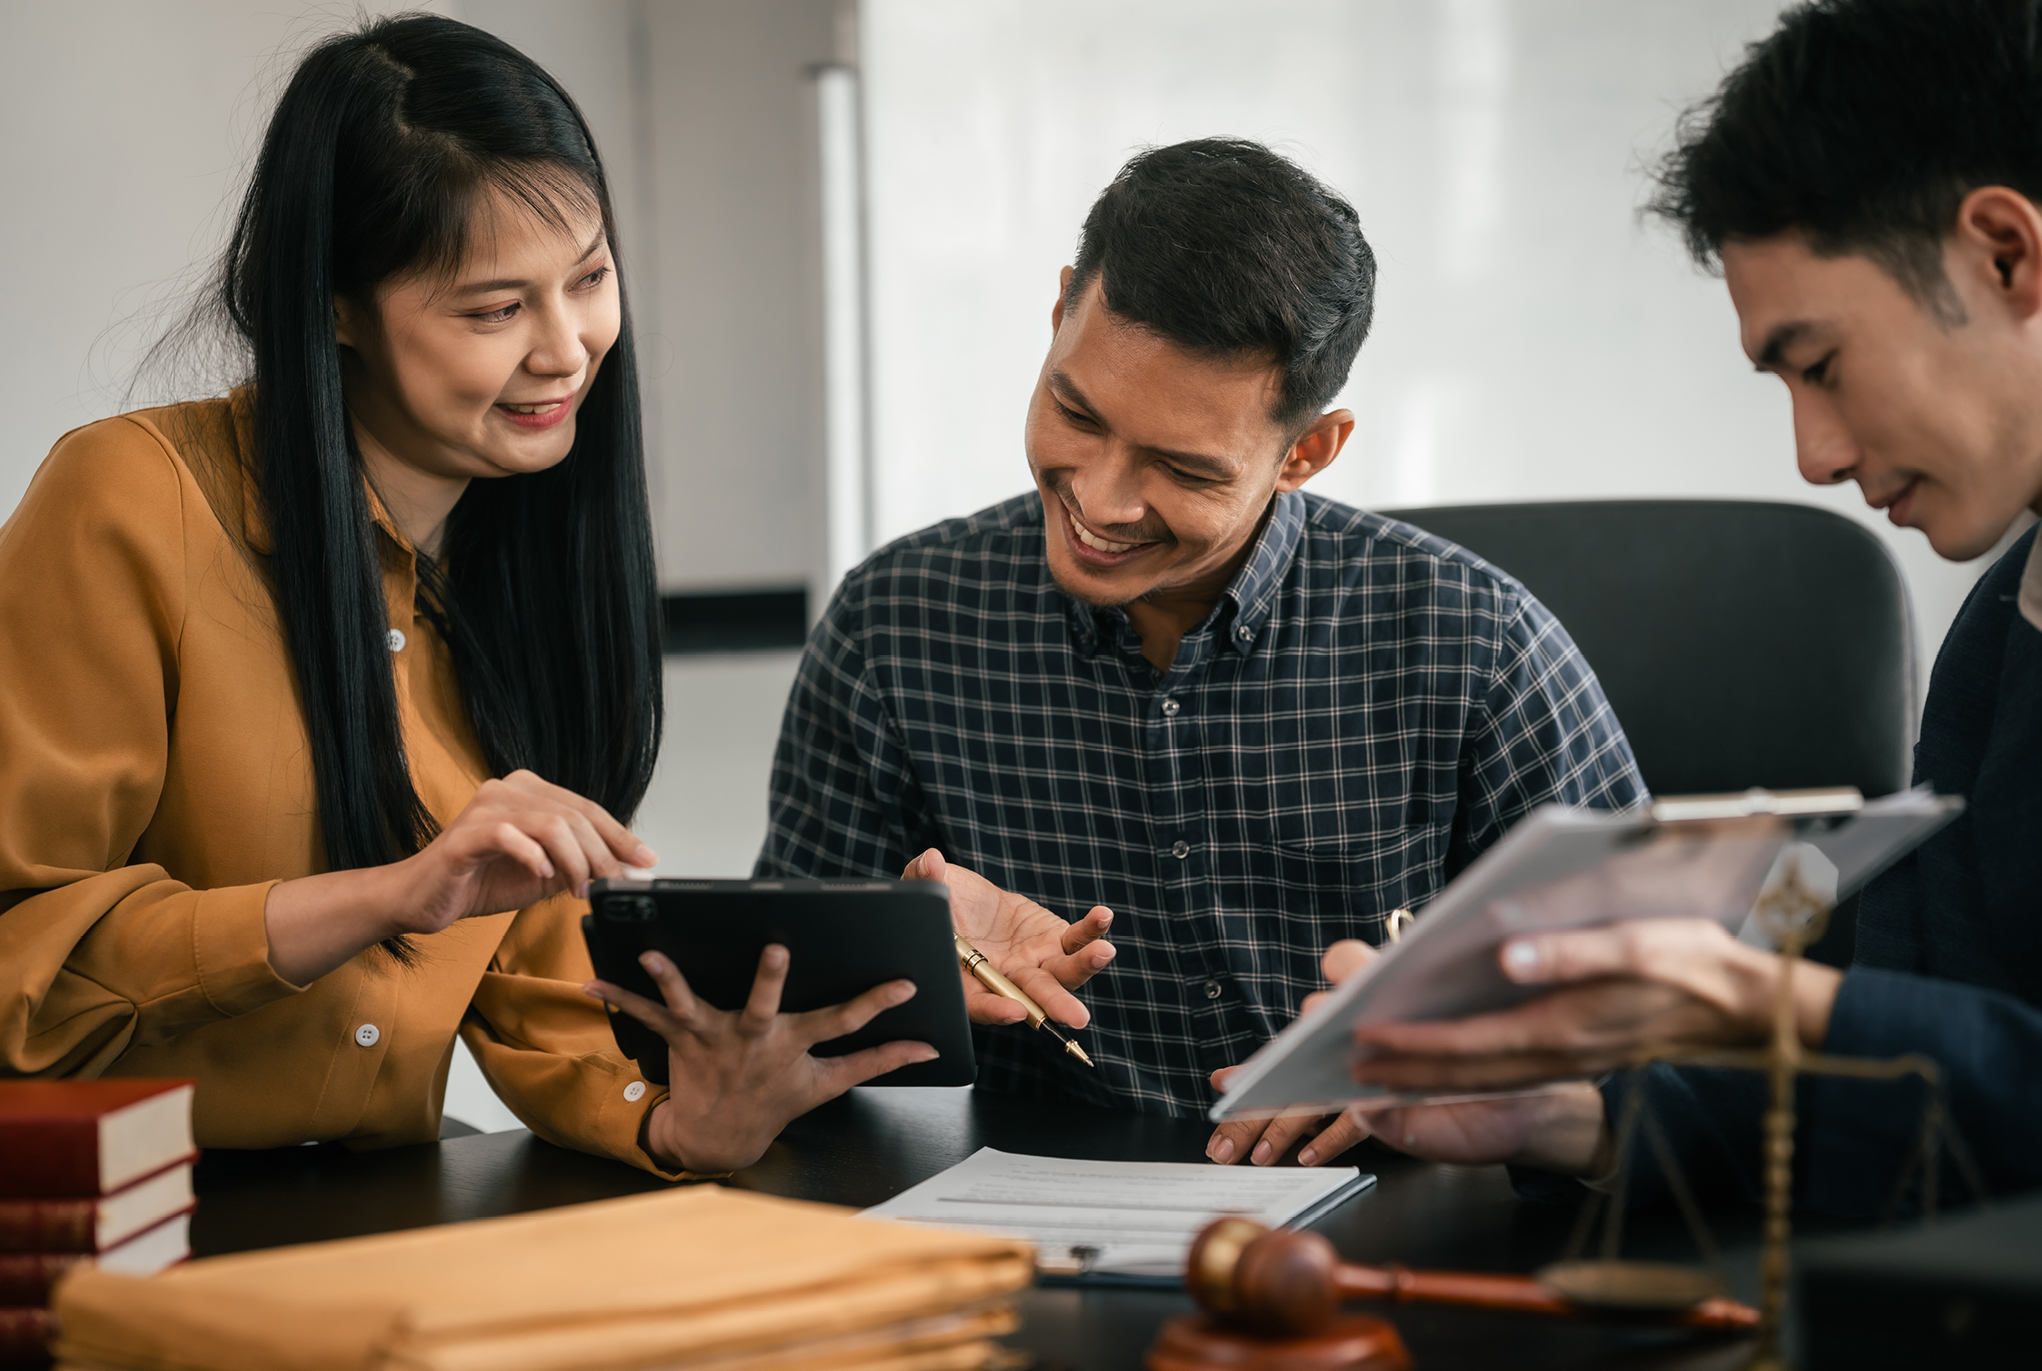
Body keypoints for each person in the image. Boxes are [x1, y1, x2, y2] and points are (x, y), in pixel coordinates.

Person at [0, 14, 1085, 1177]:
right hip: (96, 1211)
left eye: (590, 279)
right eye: (494, 308)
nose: (567, 350)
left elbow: (537, 990)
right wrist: (385, 897)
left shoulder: (523, 555)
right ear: (335, 307)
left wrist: (691, 1115)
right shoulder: (127, 501)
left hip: (373, 1204)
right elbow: (26, 956)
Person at [1298, 0, 2042, 1216]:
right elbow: (1935, 1124)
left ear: (2003, 255)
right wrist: (1564, 1118)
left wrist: (1768, 1006)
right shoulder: (2000, 624)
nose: (1811, 454)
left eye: (1820, 365)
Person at [757, 138, 1646, 1150]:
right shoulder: (895, 626)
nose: (1098, 498)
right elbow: (767, 1013)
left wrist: (1430, 1068)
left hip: (1400, 1227)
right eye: (1073, 411)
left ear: (1304, 451)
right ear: (1058, 317)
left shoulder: (1476, 645)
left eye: (1181, 468)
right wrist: (894, 952)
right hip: (1030, 1228)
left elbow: (1653, 1025)